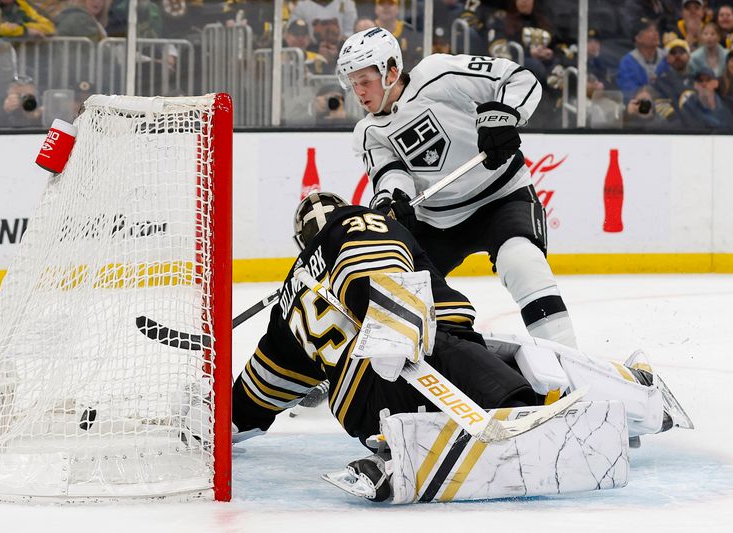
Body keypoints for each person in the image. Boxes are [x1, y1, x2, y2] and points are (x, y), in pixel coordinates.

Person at [335, 27, 579, 349]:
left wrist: (505, 117)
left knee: (521, 261)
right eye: (353, 84)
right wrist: (392, 200)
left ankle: (567, 358)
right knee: (394, 290)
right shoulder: (367, 132)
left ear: (391, 71)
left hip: (501, 195)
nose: (360, 93)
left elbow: (519, 78)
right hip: (437, 221)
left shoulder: (438, 74)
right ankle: (360, 370)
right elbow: (390, 174)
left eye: (365, 81)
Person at [230, 192, 536, 446]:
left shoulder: (286, 307)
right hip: (425, 360)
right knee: (452, 343)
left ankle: (399, 453)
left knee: (364, 395)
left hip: (367, 409)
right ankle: (522, 410)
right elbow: (368, 265)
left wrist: (232, 419)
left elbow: (261, 387)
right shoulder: (354, 223)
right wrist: (394, 332)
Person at [617, 17, 666, 101]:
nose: (655, 33)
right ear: (637, 38)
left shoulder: (667, 57)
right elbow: (628, 90)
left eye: (656, 30)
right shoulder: (627, 62)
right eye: (649, 30)